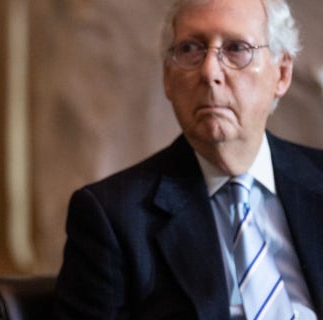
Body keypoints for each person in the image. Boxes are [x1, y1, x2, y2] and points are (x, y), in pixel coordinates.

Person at [54, 0, 323, 319]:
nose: (209, 71)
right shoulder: (113, 218)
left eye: (237, 48)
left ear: (282, 73)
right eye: (191, 49)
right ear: (168, 77)